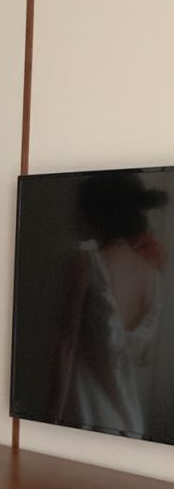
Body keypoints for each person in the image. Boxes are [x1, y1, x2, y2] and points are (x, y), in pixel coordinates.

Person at [48, 171, 170, 437]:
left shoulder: (84, 263)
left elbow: (65, 346)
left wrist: (49, 419)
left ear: (98, 216)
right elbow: (142, 356)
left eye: (79, 210)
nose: (74, 217)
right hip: (129, 423)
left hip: (84, 415)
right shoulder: (153, 275)